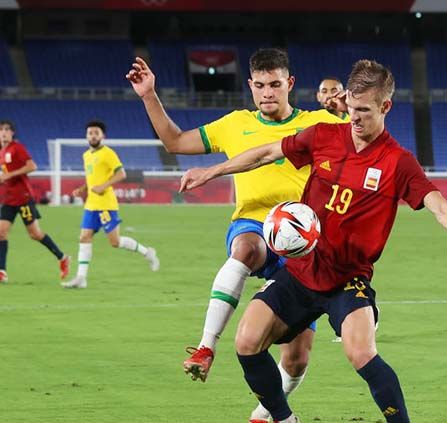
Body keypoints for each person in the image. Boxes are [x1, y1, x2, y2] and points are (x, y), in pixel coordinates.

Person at [179, 59, 447, 423]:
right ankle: (283, 418)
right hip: (300, 271)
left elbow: (439, 206)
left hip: (348, 280)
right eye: (351, 108)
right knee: (246, 342)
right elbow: (265, 153)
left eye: (364, 111)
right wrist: (211, 171)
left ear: (385, 107)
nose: (354, 118)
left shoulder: (398, 162)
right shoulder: (324, 135)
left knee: (360, 353)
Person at [127, 48, 348, 421]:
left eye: (275, 85)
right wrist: (149, 95)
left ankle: (264, 413)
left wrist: (350, 112)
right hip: (254, 223)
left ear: (289, 84)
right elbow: (176, 142)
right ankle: (205, 347)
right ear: (250, 85)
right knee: (246, 248)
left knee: (296, 358)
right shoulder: (234, 124)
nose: (267, 93)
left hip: (302, 243)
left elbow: (373, 139)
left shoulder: (317, 123)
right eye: (260, 85)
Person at [62, 121, 160, 289]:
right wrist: (83, 189)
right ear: (86, 136)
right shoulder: (86, 155)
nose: (93, 135)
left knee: (114, 242)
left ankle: (147, 252)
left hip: (106, 204)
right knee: (84, 237)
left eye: (96, 133)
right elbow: (91, 178)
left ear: (103, 136)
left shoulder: (108, 154)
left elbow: (121, 174)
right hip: (91, 204)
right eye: (90, 133)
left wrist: (103, 186)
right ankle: (81, 278)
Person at [0, 120, 69, 283]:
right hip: (9, 199)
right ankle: (2, 271)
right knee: (1, 233)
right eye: (1, 129)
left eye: (7, 129)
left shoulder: (17, 148)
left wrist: (10, 175)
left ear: (12, 133)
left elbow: (32, 166)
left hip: (23, 198)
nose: (4, 132)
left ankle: (62, 257)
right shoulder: (2, 152)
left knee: (35, 234)